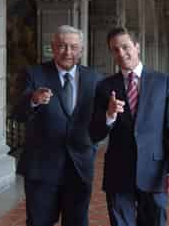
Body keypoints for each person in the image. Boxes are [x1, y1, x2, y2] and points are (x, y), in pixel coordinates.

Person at [89, 27, 169, 226]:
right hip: (118, 172)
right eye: (115, 50)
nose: (121, 53)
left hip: (154, 170)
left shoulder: (163, 82)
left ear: (137, 47)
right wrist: (109, 115)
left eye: (125, 47)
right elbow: (94, 133)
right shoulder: (105, 86)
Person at [13, 25, 103, 226]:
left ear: (81, 50)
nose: (67, 52)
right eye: (62, 46)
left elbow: (100, 123)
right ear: (53, 47)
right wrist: (33, 99)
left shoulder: (95, 79)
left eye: (73, 47)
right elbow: (17, 113)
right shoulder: (33, 74)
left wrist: (91, 147)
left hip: (79, 169)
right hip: (41, 170)